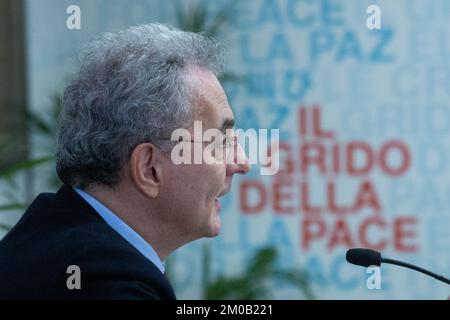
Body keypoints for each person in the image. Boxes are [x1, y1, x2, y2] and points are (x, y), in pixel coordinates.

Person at [0, 24, 250, 299]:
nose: (241, 163)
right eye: (220, 142)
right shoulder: (107, 284)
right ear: (149, 169)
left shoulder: (58, 237)